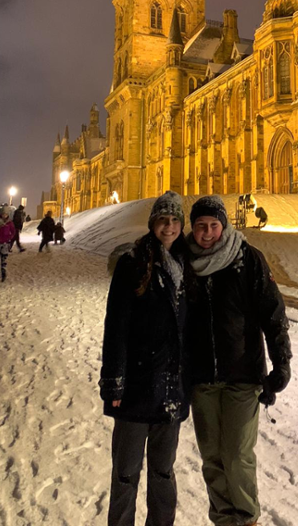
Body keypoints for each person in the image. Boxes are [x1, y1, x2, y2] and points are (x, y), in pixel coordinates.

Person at [188, 195, 291, 526]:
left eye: (213, 226)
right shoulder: (183, 260)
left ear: (224, 225)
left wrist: (281, 362)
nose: (207, 233)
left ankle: (247, 519)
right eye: (201, 226)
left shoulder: (248, 258)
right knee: (212, 458)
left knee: (237, 457)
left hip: (243, 374)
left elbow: (272, 313)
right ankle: (223, 519)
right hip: (201, 376)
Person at [99, 191, 191, 526]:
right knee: (126, 474)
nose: (169, 226)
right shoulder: (133, 262)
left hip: (171, 389)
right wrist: (114, 381)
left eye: (174, 220)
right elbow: (116, 326)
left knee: (163, 474)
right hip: (137, 388)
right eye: (163, 220)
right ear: (152, 223)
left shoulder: (188, 265)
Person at [0, 207, 16, 283]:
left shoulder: (10, 223)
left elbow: (13, 232)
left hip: (5, 244)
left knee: (4, 261)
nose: (4, 215)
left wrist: (9, 238)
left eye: (6, 214)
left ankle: (3, 276)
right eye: (3, 214)